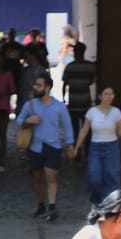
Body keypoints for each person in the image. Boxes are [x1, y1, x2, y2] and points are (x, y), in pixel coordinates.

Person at [15, 72, 74, 222]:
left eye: (39, 85)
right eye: (35, 85)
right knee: (37, 178)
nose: (36, 87)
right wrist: (28, 121)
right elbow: (18, 121)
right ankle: (41, 204)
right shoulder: (30, 105)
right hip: (35, 147)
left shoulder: (59, 107)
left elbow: (67, 126)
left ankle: (52, 206)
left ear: (47, 88)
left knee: (51, 176)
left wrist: (70, 145)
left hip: (53, 147)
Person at [73, 86, 121, 205]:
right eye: (106, 94)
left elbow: (120, 133)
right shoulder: (92, 112)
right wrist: (76, 148)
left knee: (112, 176)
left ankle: (108, 204)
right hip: (95, 148)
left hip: (112, 147)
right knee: (94, 177)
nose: (109, 97)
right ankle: (97, 200)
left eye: (111, 94)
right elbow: (84, 130)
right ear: (100, 96)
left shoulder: (116, 112)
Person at [61, 42, 96, 146]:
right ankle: (87, 150)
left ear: (75, 53)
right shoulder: (90, 66)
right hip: (86, 103)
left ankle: (76, 151)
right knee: (87, 130)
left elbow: (65, 84)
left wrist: (63, 99)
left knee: (74, 130)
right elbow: (91, 81)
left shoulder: (69, 67)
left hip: (73, 104)